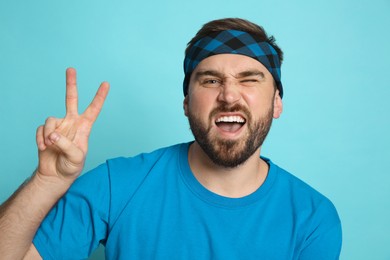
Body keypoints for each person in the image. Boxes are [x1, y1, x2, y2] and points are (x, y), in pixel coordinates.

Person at [0, 18, 342, 259]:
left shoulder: (313, 218)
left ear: (277, 102)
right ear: (186, 103)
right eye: (210, 80)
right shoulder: (117, 184)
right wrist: (47, 181)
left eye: (250, 79)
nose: (228, 96)